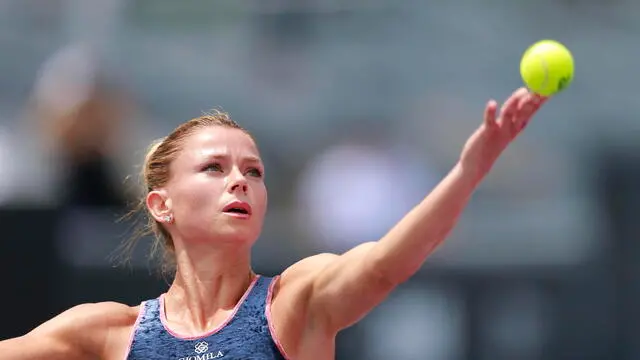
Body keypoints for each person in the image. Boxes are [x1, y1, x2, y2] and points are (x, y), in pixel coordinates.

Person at [0, 87, 547, 359]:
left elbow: (386, 264)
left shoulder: (293, 303)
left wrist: (469, 170)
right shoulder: (106, 334)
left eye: (253, 171)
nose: (239, 181)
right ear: (161, 204)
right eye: (214, 168)